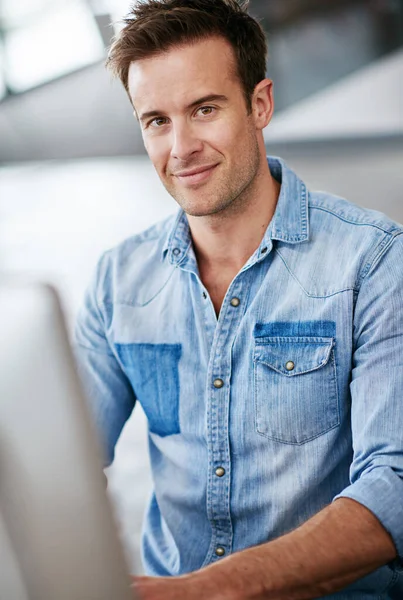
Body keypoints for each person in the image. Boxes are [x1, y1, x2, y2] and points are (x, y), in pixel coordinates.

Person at [74, 1, 403, 598]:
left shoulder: (374, 260)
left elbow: (397, 484)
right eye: (156, 120)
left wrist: (207, 591)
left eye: (203, 110)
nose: (181, 148)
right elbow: (62, 465)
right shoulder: (117, 281)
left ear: (259, 104)